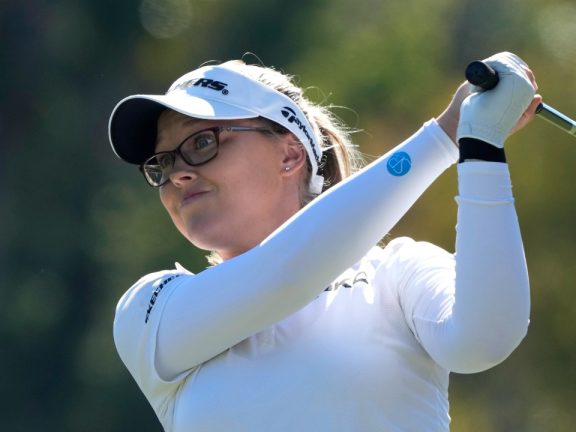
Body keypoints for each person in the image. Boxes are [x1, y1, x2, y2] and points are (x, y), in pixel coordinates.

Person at [110, 51, 541, 431]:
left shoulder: (397, 273)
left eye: (203, 142)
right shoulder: (150, 309)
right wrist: (446, 134)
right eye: (163, 163)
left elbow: (483, 340)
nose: (178, 174)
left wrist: (480, 145)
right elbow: (282, 276)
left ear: (289, 153)